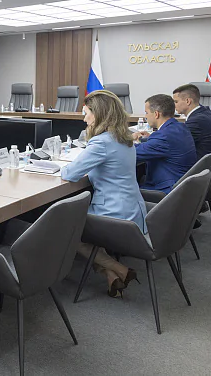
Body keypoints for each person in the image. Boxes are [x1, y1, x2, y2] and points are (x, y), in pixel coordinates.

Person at [61, 90, 147, 297]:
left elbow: (70, 173)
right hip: (134, 209)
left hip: (114, 213)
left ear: (99, 114)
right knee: (76, 223)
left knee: (65, 229)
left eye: (86, 113)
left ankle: (120, 269)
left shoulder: (101, 142)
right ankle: (112, 276)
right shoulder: (124, 138)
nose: (84, 119)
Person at [133, 94, 196, 194]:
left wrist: (124, 141)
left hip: (166, 191)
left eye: (146, 113)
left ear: (156, 114)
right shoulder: (180, 127)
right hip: (182, 185)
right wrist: (145, 139)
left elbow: (133, 154)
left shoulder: (163, 137)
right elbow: (161, 144)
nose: (145, 116)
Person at [172, 84, 211, 160]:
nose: (174, 105)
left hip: (202, 165)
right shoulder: (208, 114)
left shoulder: (196, 121)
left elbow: (175, 144)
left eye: (176, 102)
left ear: (188, 101)